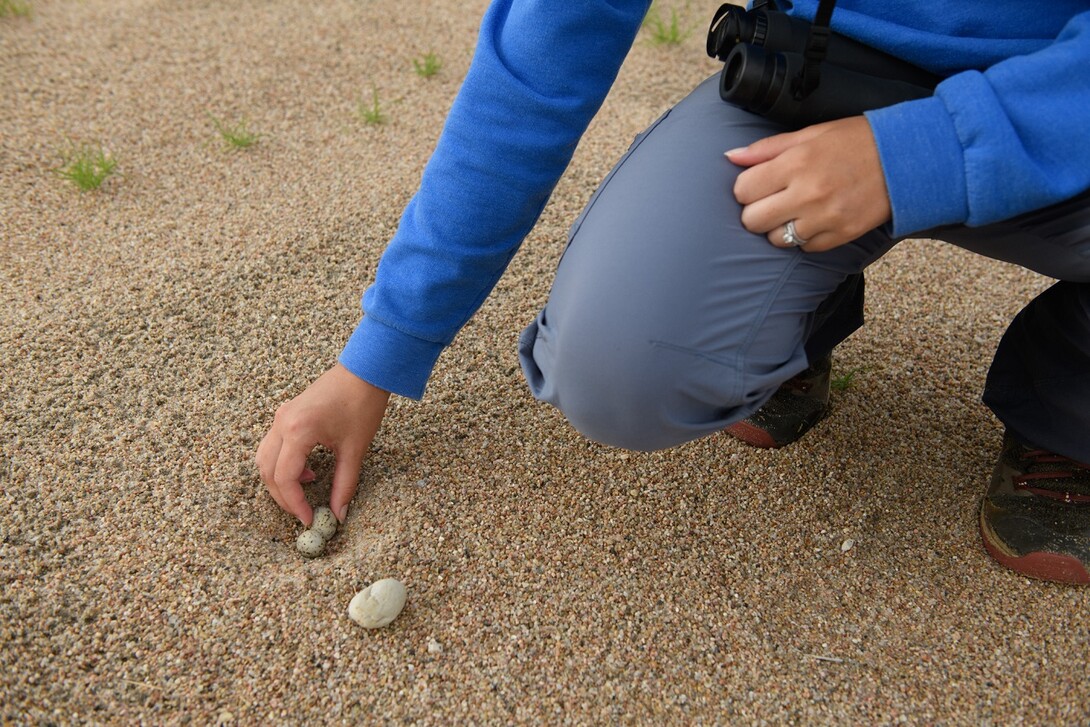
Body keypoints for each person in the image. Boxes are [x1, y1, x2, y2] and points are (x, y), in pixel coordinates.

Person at [256, 0, 1090, 584]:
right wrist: (380, 351)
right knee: (620, 364)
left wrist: (920, 154)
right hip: (822, 75)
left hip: (1067, 96)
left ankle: (1070, 398)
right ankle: (799, 313)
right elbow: (543, 57)